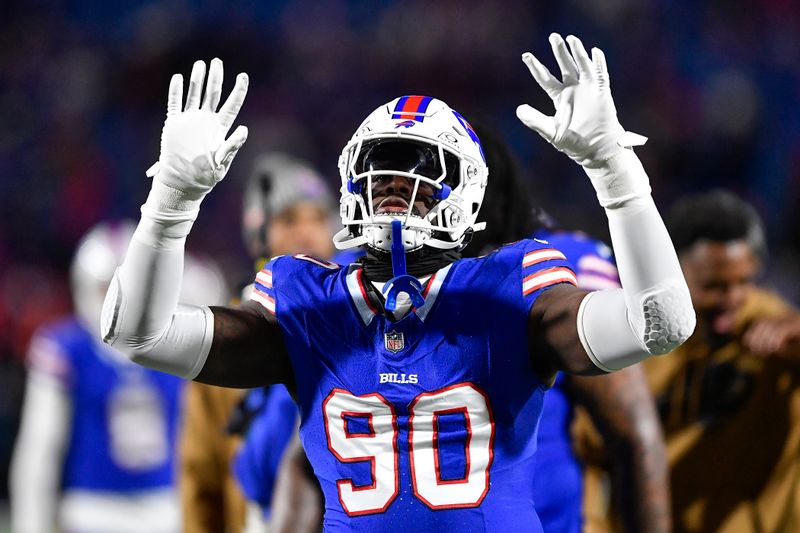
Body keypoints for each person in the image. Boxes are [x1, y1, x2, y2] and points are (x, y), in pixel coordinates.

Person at [102, 34, 696, 531]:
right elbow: (138, 335)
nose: (391, 182)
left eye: (419, 169)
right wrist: (171, 202)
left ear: (468, 195)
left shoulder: (507, 287)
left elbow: (660, 322)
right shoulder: (307, 302)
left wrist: (615, 169)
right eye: (379, 167)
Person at [581, 189, 800, 533]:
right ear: (671, 274)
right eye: (714, 286)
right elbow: (588, 450)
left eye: (744, 281)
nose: (734, 298)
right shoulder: (637, 339)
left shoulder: (777, 332)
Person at [9, 221, 228, 533]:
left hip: (167, 510)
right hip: (91, 513)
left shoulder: (175, 342)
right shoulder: (66, 349)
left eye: (129, 288)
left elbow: (209, 287)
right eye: (106, 289)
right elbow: (39, 452)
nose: (118, 302)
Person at [179, 153, 339, 533]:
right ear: (258, 233)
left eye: (318, 218)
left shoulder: (359, 317)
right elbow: (202, 472)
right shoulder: (230, 334)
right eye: (289, 220)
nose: (307, 233)